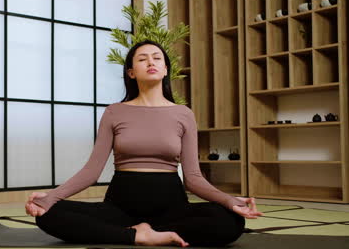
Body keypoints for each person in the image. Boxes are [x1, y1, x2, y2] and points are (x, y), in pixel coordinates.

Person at [25, 40, 263, 247]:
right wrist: (52, 197)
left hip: (171, 209)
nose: (151, 61)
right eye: (142, 59)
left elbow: (193, 178)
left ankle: (143, 233)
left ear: (165, 68)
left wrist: (229, 200)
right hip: (120, 208)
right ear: (131, 72)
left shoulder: (183, 114)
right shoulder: (114, 112)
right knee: (47, 214)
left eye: (157, 57)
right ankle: (136, 237)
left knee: (231, 221)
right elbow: (91, 171)